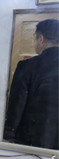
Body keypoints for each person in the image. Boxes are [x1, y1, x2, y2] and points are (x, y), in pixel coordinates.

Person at [4, 18, 59, 150]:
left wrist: (9, 134)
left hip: (32, 140)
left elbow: (17, 104)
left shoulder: (27, 66)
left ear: (41, 39)